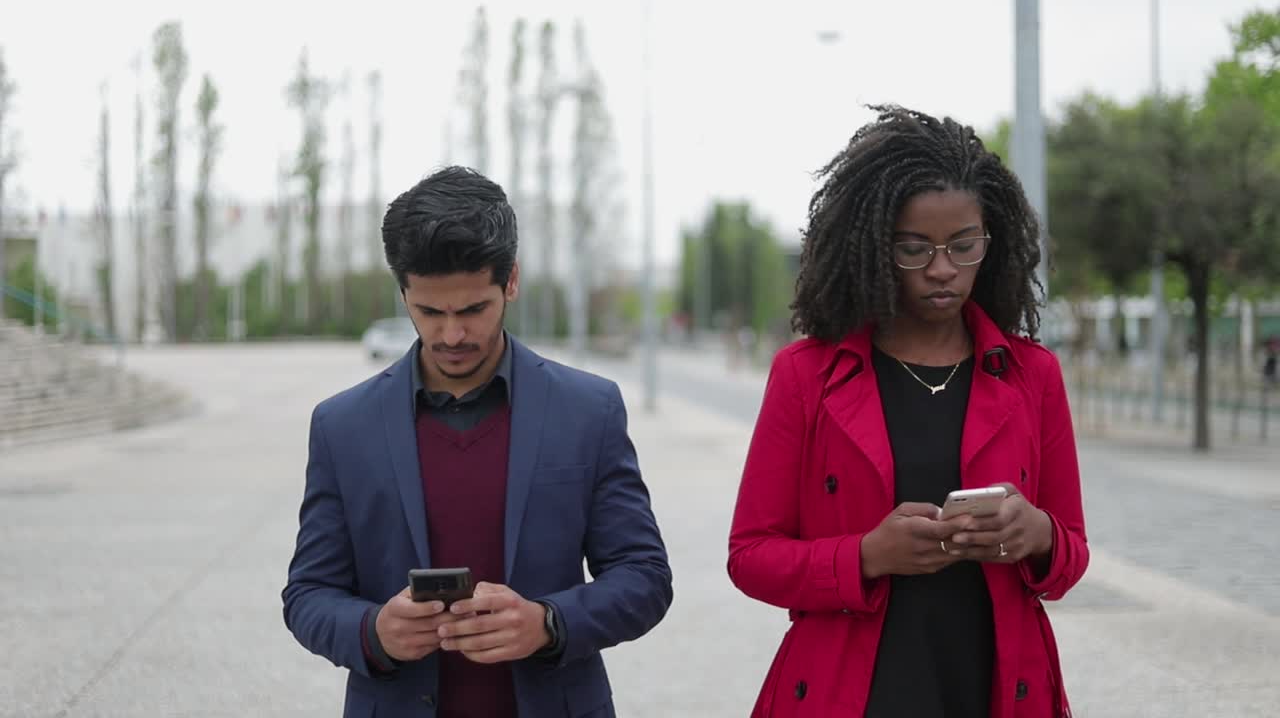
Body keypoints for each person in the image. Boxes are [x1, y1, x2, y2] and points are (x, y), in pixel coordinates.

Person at [727, 106, 1088, 717]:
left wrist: (1039, 535)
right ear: (870, 246)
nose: (943, 269)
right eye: (914, 249)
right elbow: (750, 556)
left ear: (989, 242)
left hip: (996, 684)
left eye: (963, 245)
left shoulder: (1034, 375)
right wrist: (866, 555)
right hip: (848, 687)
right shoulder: (805, 374)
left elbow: (1071, 552)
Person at [283, 166, 673, 718]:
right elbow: (307, 595)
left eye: (472, 309)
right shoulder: (342, 426)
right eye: (429, 312)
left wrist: (548, 624)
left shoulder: (590, 410)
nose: (452, 334)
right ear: (403, 293)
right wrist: (373, 632)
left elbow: (645, 578)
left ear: (510, 281)